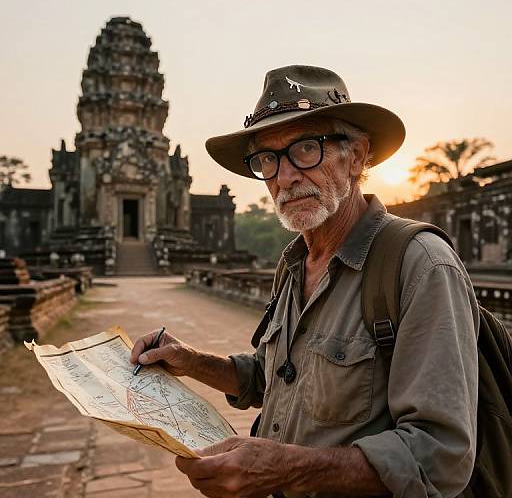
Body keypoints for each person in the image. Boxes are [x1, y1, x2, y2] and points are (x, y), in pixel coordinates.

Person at [131, 65, 479, 497]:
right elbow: (272, 377)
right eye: (268, 159)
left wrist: (288, 469)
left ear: (356, 156)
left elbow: (440, 455)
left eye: (307, 149)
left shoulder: (419, 265)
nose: (286, 176)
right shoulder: (296, 263)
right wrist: (190, 360)